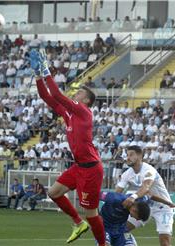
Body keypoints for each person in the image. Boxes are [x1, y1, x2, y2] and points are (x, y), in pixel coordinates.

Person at [29, 50, 105, 245]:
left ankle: (102, 244)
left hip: (91, 169)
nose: (76, 93)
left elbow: (56, 93)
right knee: (53, 193)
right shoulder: (70, 113)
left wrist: (46, 70)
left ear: (87, 100)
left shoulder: (84, 112)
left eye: (80, 92)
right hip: (79, 166)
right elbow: (47, 97)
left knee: (92, 213)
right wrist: (38, 75)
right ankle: (78, 223)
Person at [115, 145, 175, 246]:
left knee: (165, 242)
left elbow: (146, 187)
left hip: (163, 207)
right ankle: (131, 243)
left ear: (140, 156)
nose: (127, 158)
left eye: (131, 155)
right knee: (121, 230)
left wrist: (132, 197)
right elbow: (116, 193)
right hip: (144, 207)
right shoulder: (127, 174)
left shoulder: (149, 170)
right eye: (127, 155)